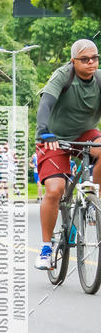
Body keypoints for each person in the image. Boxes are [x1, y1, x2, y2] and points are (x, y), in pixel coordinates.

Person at [34, 39, 101, 269]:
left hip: (85, 134)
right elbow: (46, 104)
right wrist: (44, 131)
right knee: (55, 190)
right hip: (55, 138)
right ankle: (45, 247)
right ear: (73, 60)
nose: (91, 62)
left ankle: (94, 197)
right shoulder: (63, 75)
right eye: (85, 59)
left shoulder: (99, 79)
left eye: (95, 57)